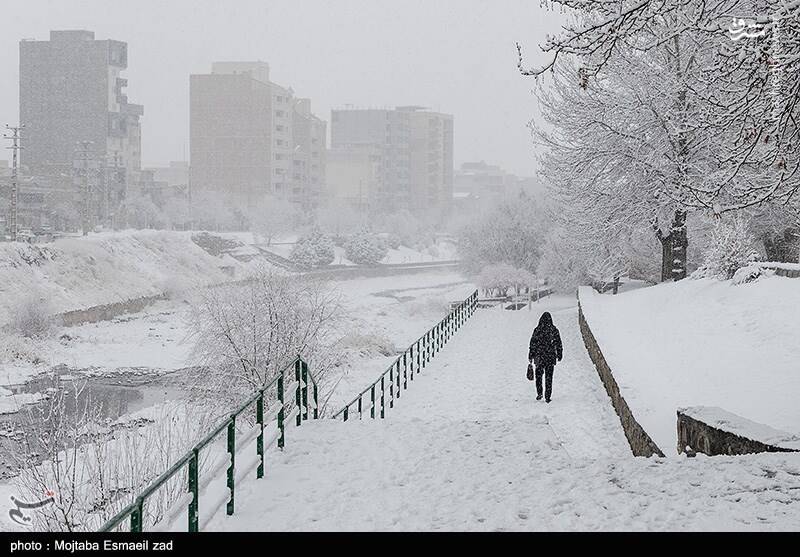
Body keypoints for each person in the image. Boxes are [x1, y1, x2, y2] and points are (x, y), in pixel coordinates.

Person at [528, 312, 563, 403]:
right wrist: (559, 354)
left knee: (538, 376)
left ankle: (539, 393)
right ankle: (548, 396)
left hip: (539, 357)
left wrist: (531, 355)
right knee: (549, 377)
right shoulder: (554, 330)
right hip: (550, 357)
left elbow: (532, 344)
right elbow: (558, 344)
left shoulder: (537, 330)